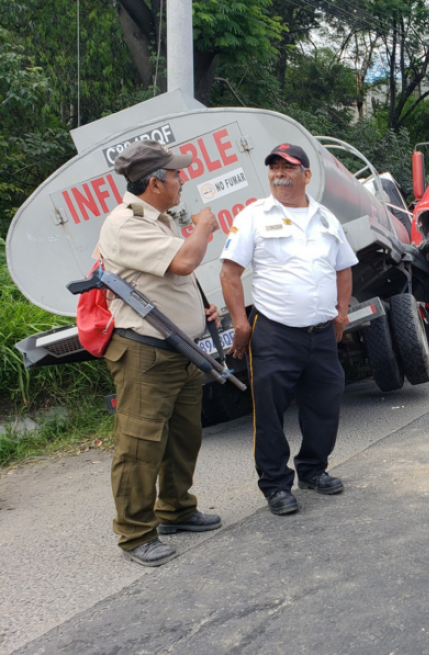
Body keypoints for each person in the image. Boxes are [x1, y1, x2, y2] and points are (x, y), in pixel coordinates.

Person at [97, 139, 222, 567]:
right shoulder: (126, 223)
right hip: (145, 353)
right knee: (139, 445)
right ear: (154, 182)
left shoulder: (157, 220)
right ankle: (135, 534)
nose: (182, 179)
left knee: (184, 436)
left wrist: (198, 308)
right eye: (175, 174)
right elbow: (185, 261)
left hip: (177, 350)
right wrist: (204, 226)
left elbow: (165, 279)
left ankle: (176, 510)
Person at [219, 143, 358, 516]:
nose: (280, 174)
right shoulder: (253, 216)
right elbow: (230, 272)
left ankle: (313, 470)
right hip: (276, 332)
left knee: (325, 405)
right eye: (275, 167)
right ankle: (276, 486)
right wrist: (240, 322)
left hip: (321, 333)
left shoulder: (326, 218)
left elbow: (344, 268)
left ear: (306, 175)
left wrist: (341, 314)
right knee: (269, 413)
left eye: (289, 167)